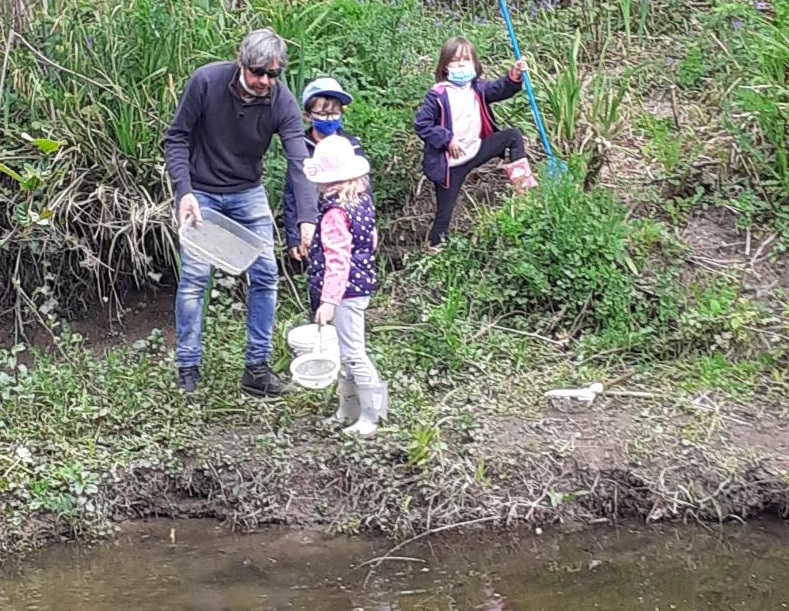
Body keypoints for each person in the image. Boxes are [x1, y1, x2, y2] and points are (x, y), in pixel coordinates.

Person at [164, 28, 318, 397]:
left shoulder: (281, 102)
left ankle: (256, 370)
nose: (264, 81)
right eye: (257, 72)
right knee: (195, 278)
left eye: (273, 74)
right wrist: (184, 192)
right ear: (240, 61)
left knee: (266, 274)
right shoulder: (206, 82)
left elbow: (300, 162)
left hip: (248, 192)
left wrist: (307, 219)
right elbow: (176, 137)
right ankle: (188, 368)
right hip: (201, 191)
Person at [414, 36, 539, 251]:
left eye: (466, 59)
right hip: (451, 165)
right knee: (444, 215)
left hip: (476, 150)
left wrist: (515, 76)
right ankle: (434, 249)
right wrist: (447, 139)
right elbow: (421, 124)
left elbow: (499, 89)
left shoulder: (476, 88)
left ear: (474, 63)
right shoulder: (438, 94)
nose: (461, 65)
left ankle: (524, 188)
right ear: (445, 66)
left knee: (512, 136)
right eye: (455, 61)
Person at [304, 135, 388, 436]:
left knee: (353, 353)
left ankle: (372, 415)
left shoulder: (334, 214)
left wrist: (328, 301)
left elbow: (337, 260)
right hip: (359, 285)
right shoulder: (361, 201)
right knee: (345, 352)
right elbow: (372, 240)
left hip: (345, 292)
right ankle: (347, 410)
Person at [281, 76, 372, 316]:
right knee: (320, 276)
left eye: (334, 113)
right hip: (313, 228)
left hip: (346, 226)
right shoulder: (300, 147)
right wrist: (293, 236)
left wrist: (371, 226)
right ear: (308, 115)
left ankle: (338, 317)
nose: (329, 119)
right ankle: (320, 319)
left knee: (345, 272)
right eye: (322, 113)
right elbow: (291, 193)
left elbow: (364, 188)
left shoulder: (350, 144)